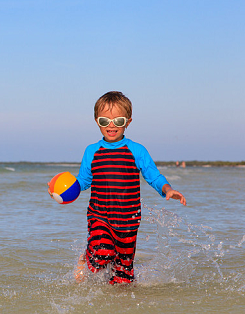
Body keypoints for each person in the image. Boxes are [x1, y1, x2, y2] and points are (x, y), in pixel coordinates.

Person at [73, 91, 186, 284]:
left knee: (123, 277)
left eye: (118, 120)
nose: (111, 125)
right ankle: (85, 258)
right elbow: (83, 181)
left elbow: (153, 176)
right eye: (104, 120)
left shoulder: (137, 150)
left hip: (128, 220)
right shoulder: (92, 151)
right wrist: (64, 190)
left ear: (128, 121)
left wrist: (167, 189)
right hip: (99, 214)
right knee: (102, 253)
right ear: (96, 121)